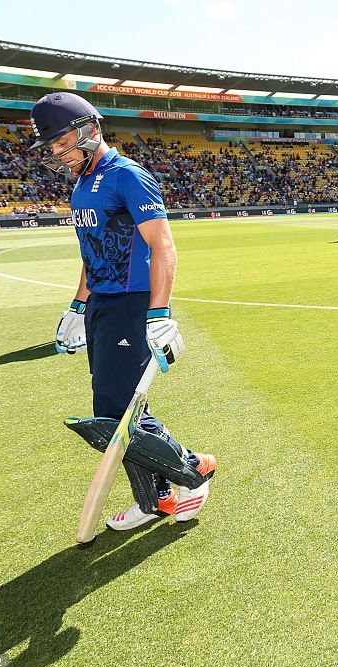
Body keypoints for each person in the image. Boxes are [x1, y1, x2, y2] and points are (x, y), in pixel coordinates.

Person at [29, 92, 216, 530]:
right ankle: (156, 498)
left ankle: (192, 472)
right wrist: (79, 304)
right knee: (117, 408)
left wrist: (159, 313)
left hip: (134, 302)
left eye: (60, 143)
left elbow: (163, 244)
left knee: (116, 412)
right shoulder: (80, 178)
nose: (56, 153)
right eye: (51, 147)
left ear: (88, 130)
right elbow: (91, 250)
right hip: (103, 305)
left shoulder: (127, 175)